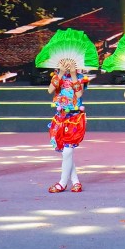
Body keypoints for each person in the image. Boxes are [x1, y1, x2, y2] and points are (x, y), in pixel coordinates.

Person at [47, 58, 94, 193]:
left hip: (74, 118)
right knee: (66, 153)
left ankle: (62, 183)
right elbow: (50, 90)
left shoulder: (81, 78)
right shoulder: (57, 76)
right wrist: (61, 73)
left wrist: (73, 74)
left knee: (68, 151)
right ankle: (76, 182)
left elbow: (79, 94)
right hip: (60, 117)